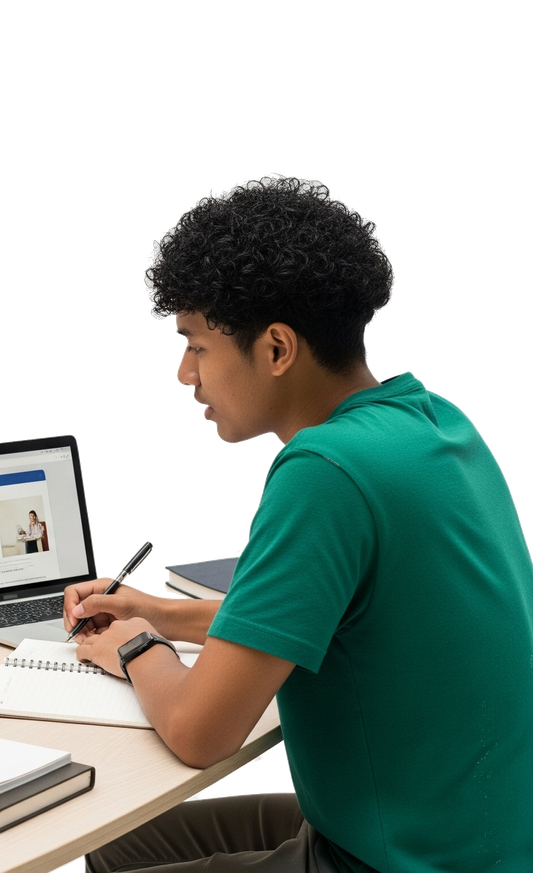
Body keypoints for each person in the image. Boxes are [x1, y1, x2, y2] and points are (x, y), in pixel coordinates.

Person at [66, 174, 533, 872]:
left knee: (102, 858)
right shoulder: (437, 422)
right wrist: (156, 612)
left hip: (397, 859)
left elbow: (201, 731)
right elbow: (323, 618)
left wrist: (135, 647)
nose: (182, 372)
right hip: (471, 834)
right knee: (111, 849)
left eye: (195, 343)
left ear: (278, 348)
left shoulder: (325, 469)